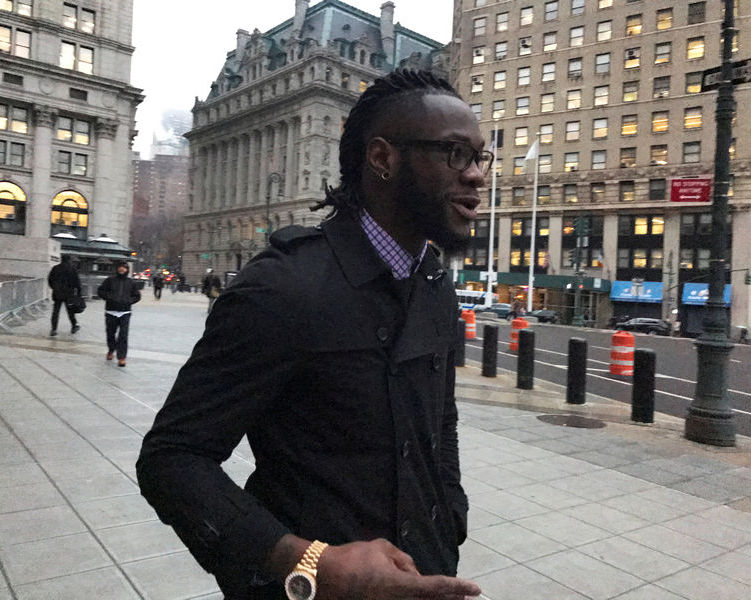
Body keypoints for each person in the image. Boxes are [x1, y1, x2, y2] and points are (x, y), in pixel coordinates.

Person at [136, 70, 488, 600]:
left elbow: (440, 418)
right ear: (383, 159)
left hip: (426, 576)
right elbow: (172, 460)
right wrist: (308, 561)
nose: (476, 175)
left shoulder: (436, 283)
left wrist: (449, 515)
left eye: (481, 157)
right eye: (455, 154)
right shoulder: (284, 287)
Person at [97, 261, 141, 367]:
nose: (122, 269)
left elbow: (137, 296)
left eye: (124, 268)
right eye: (120, 267)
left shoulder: (131, 282)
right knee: (110, 333)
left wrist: (128, 301)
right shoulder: (110, 280)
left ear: (127, 270)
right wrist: (109, 297)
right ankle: (111, 349)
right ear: (117, 268)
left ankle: (121, 357)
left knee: (123, 335)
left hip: (125, 312)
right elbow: (100, 291)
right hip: (111, 311)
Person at [47, 255, 82, 337]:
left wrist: (54, 288)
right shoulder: (72, 268)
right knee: (70, 311)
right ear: (69, 260)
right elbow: (77, 281)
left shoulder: (55, 268)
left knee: (55, 312)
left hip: (57, 293)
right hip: (69, 293)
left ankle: (53, 329)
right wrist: (79, 292)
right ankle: (74, 326)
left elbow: (50, 279)